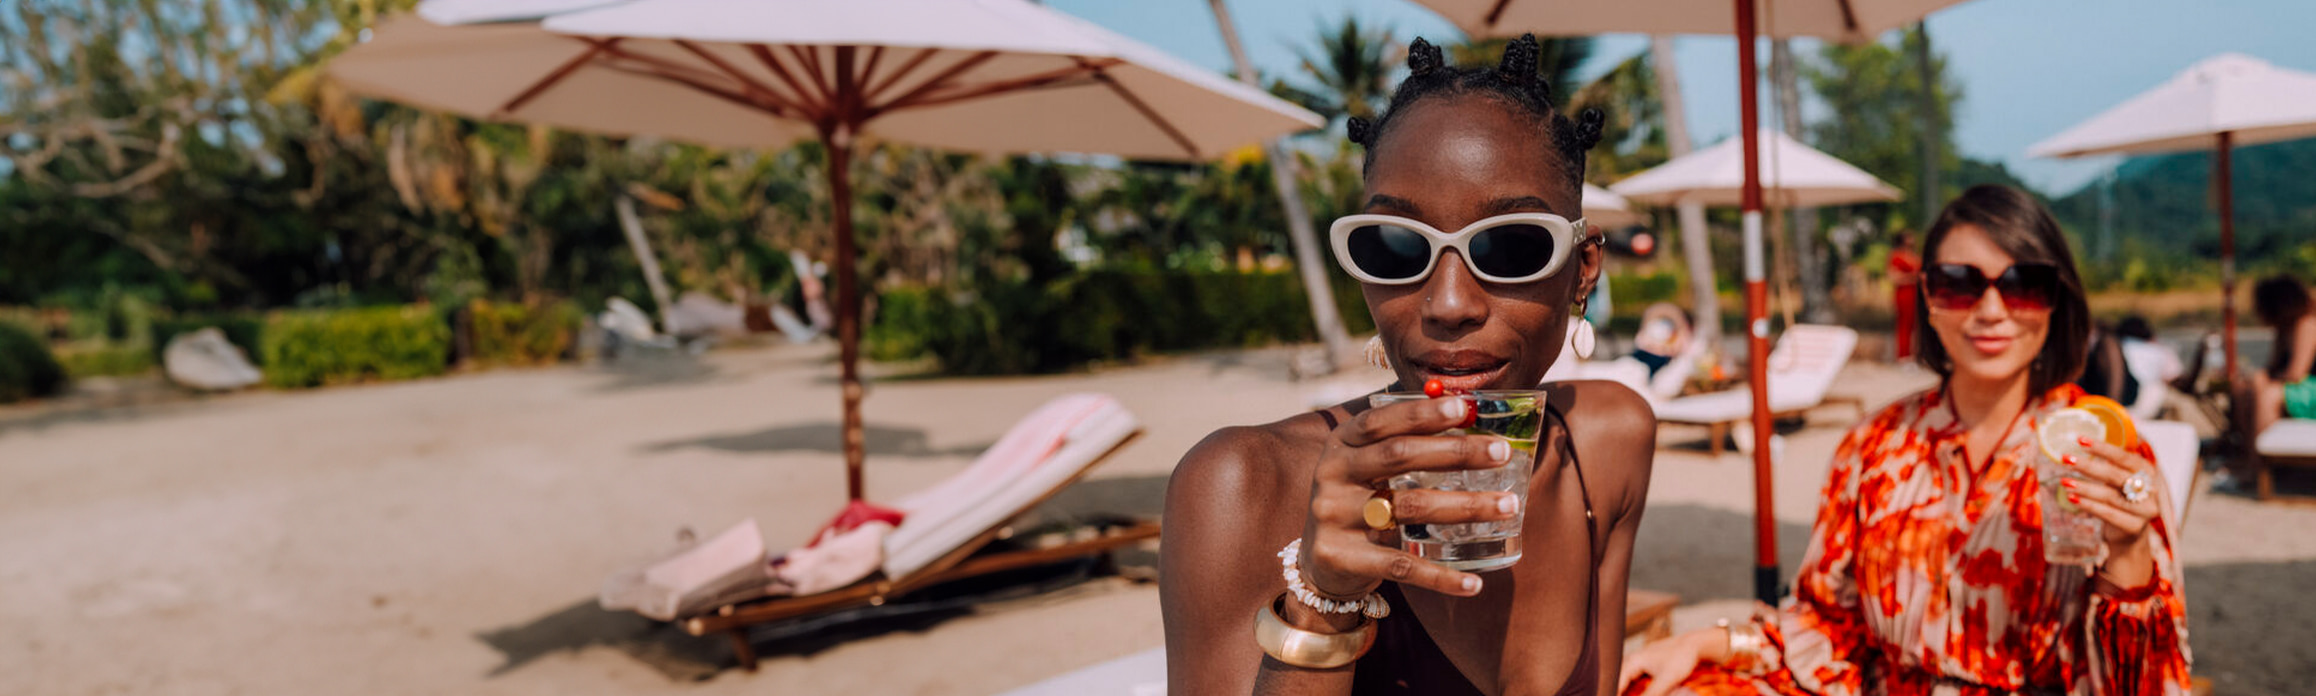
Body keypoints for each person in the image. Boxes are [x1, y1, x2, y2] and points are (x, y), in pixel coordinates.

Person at [1161, 36, 1656, 695]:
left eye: (1511, 246)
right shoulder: (1243, 486)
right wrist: (1321, 596)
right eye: (1396, 247)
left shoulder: (1609, 444)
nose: (1448, 304)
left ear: (1582, 267)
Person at [1619, 185, 2190, 696]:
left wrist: (2127, 555)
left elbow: (2149, 681)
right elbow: (1829, 625)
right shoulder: (1878, 442)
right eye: (1959, 284)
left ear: (2056, 300)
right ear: (1929, 301)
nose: (1992, 310)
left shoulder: (2101, 447)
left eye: (2023, 284)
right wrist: (1715, 642)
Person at [2238, 275, 2316, 441]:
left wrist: (2265, 380)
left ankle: (2262, 459)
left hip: (2310, 387)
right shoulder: (2284, 329)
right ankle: (2248, 450)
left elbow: (2296, 373)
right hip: (2300, 386)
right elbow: (2272, 366)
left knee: (2269, 394)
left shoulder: (2306, 325)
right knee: (2244, 386)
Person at [1888, 231, 1922, 362]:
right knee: (1904, 325)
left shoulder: (1912, 255)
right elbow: (1893, 277)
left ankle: (1915, 355)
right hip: (1904, 293)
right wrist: (1912, 278)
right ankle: (1903, 356)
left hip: (1915, 294)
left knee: (1916, 325)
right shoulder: (1896, 255)